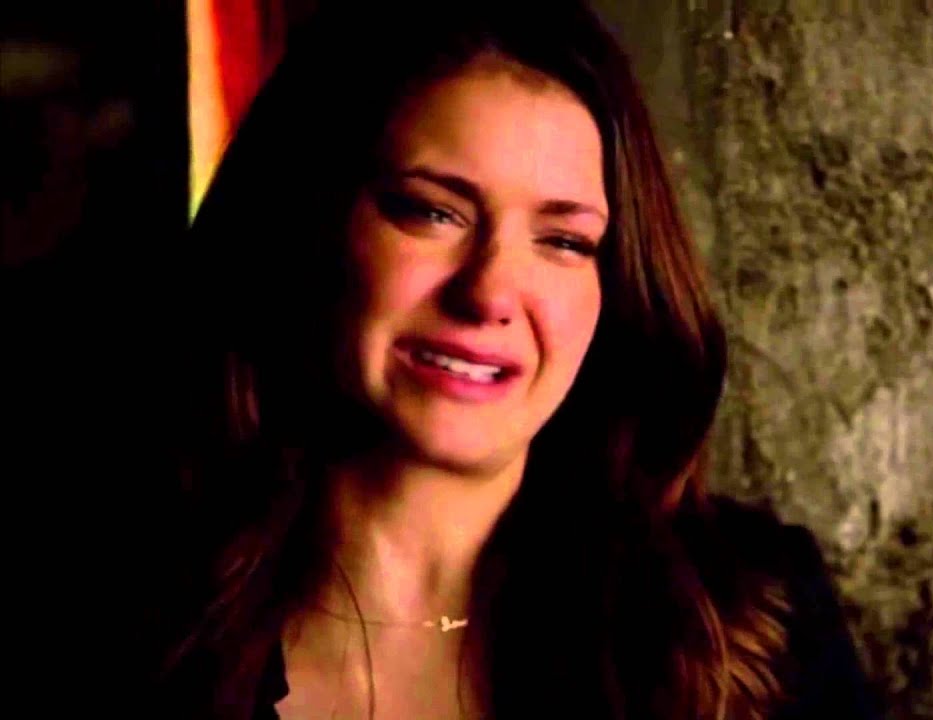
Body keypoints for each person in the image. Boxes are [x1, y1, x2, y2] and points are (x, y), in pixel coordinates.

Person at [143, 2, 881, 718]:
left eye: (563, 241)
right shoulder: (125, 625)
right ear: (307, 220)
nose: (490, 293)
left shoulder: (756, 627)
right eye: (433, 211)